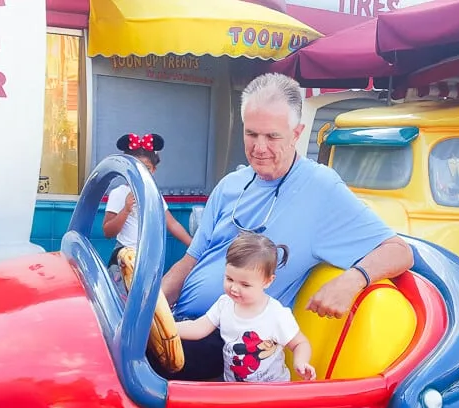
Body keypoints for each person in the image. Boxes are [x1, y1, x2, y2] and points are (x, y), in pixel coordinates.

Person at [156, 73, 414, 381]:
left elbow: (399, 251)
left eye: (272, 137)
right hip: (182, 324)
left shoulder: (321, 189)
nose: (259, 148)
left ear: (297, 133)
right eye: (251, 134)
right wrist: (151, 306)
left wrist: (352, 280)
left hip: (231, 345)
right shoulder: (230, 185)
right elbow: (191, 260)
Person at [177, 232, 316, 382]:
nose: (234, 288)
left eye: (245, 284)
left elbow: (300, 343)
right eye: (229, 279)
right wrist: (168, 328)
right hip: (234, 389)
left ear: (268, 281)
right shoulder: (224, 304)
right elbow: (199, 327)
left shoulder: (276, 314)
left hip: (272, 392)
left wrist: (300, 362)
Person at [103, 133, 193, 271]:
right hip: (124, 255)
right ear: (126, 169)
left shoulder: (154, 195)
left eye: (147, 168)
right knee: (121, 292)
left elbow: (172, 224)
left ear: (154, 170)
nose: (141, 173)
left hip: (148, 257)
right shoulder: (119, 193)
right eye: (136, 168)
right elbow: (108, 232)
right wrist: (126, 210)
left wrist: (193, 246)